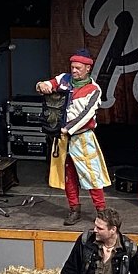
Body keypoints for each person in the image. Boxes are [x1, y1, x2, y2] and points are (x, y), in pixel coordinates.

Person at [36, 49, 111, 226]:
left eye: (78, 68)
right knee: (68, 175)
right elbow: (45, 84)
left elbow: (86, 115)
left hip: (81, 137)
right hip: (62, 139)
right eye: (72, 67)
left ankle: (101, 211)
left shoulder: (94, 90)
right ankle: (74, 209)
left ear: (87, 69)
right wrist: (41, 85)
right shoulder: (64, 79)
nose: (74, 71)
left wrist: (66, 129)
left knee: (92, 175)